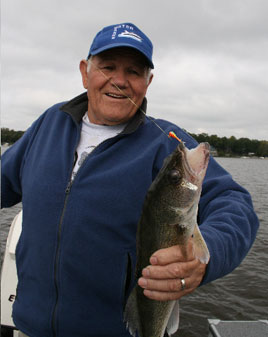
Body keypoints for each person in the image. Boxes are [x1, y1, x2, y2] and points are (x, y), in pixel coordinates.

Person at [1, 22, 259, 337]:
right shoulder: (49, 124)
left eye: (134, 72)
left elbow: (234, 204)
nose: (120, 80)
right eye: (108, 67)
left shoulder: (165, 143)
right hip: (31, 326)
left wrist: (207, 257)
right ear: (85, 72)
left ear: (148, 82)